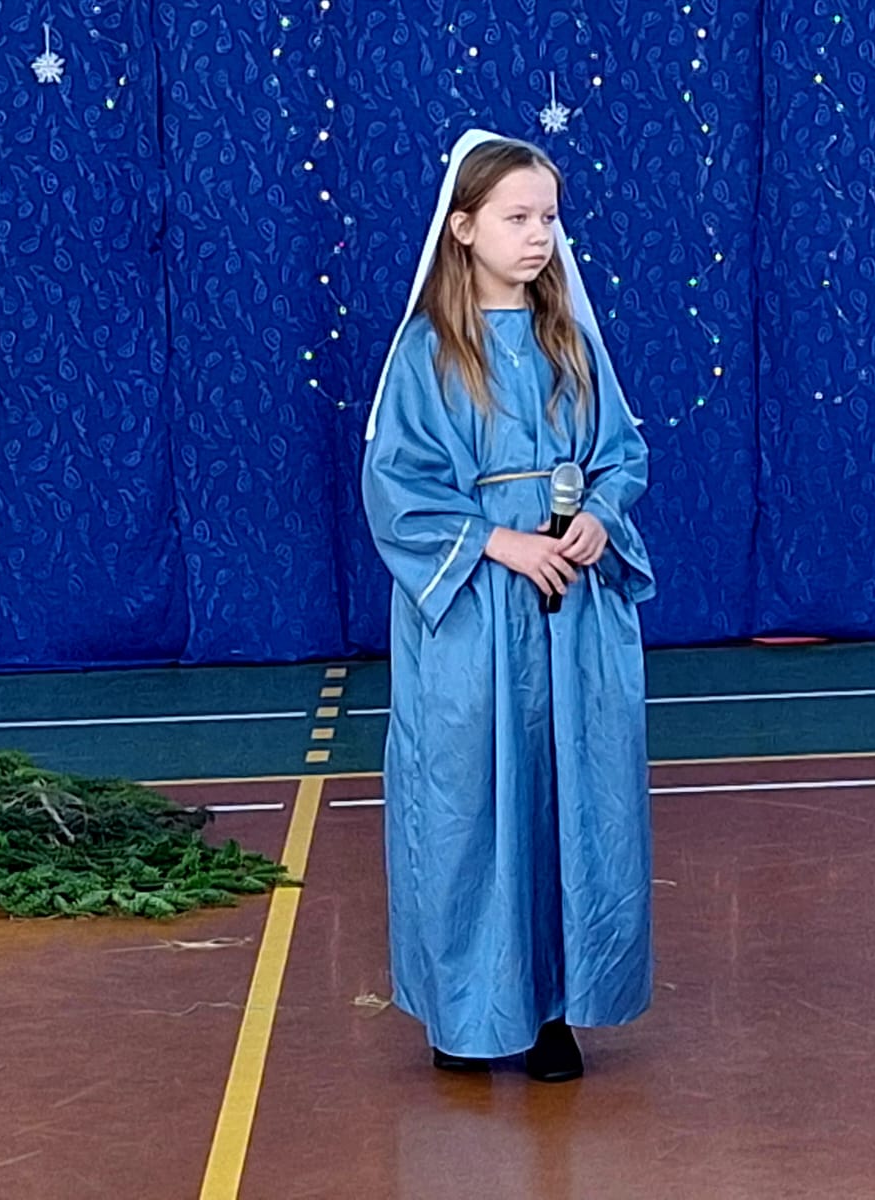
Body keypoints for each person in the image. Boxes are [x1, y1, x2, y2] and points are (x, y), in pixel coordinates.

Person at [361, 129, 655, 1083]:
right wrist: (500, 540)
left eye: (549, 218)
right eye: (517, 218)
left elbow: (620, 453)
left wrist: (599, 516)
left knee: (573, 800)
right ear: (463, 228)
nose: (539, 236)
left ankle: (556, 1006)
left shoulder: (571, 341)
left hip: (569, 614)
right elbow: (397, 488)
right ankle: (469, 1011)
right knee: (469, 807)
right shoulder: (427, 353)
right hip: (475, 617)